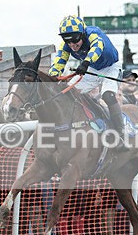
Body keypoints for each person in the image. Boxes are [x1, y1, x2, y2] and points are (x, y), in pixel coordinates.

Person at [49, 15, 128, 148]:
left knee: (108, 95)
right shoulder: (66, 46)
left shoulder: (93, 33)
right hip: (92, 68)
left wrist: (86, 62)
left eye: (75, 39)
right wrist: (50, 78)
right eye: (67, 40)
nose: (72, 45)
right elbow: (58, 63)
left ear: (82, 34)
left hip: (110, 68)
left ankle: (120, 134)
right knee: (68, 93)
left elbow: (97, 47)